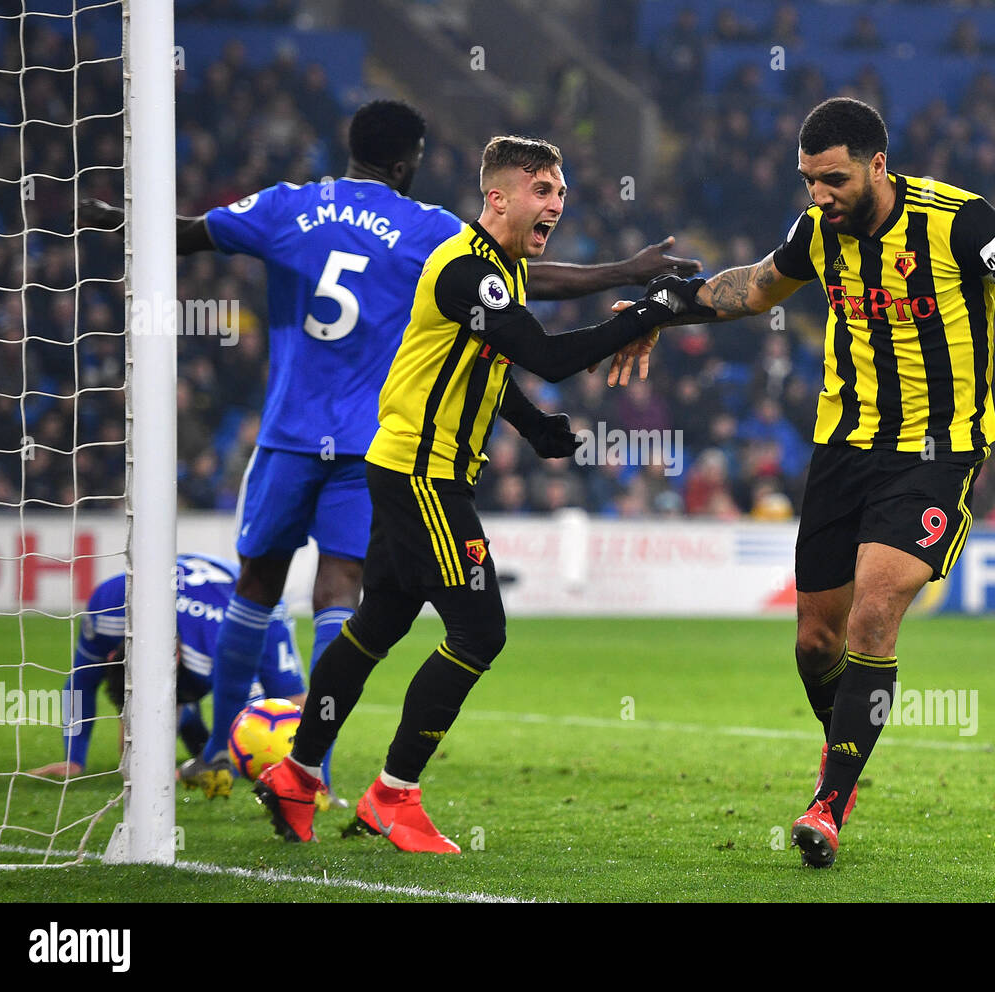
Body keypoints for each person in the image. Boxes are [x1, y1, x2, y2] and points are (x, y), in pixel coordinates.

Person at [78, 100, 699, 797]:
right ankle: (341, 776)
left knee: (259, 588)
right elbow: (518, 291)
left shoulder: (289, 206)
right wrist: (628, 277)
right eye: (545, 191)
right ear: (410, 162)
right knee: (354, 596)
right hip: (378, 441)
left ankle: (230, 752)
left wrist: (117, 222)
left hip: (287, 431)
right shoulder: (427, 228)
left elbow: (192, 234)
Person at [617, 97, 995, 868]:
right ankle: (846, 762)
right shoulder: (816, 232)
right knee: (814, 642)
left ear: (877, 166)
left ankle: (830, 799)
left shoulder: (959, 222)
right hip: (842, 447)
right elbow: (754, 289)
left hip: (936, 451)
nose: (818, 196)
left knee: (874, 609)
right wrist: (661, 306)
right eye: (808, 181)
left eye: (832, 179)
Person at [252, 135, 691, 850]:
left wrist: (530, 424)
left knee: (377, 627)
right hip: (424, 477)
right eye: (542, 189)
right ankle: (393, 795)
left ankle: (298, 776)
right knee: (480, 631)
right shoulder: (469, 269)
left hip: (403, 468)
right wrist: (648, 311)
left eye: (560, 190)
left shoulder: (500, 272)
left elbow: (483, 363)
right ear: (498, 197)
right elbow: (546, 357)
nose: (555, 202)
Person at [28, 553, 304, 801]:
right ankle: (193, 731)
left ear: (177, 659)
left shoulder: (218, 649)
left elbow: (253, 718)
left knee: (292, 702)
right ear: (112, 655)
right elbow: (81, 681)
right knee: (134, 760)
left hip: (248, 598)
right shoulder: (108, 606)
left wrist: (219, 762)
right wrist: (74, 759)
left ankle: (315, 782)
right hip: (187, 599)